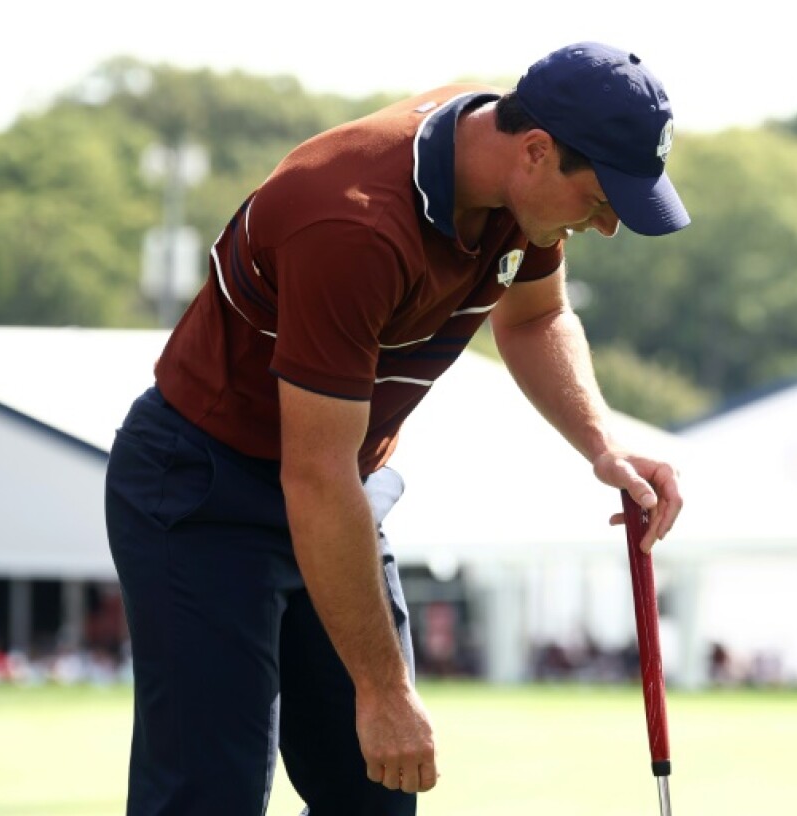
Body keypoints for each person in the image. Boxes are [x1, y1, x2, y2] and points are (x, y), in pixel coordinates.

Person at [105, 41, 688, 816]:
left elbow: (536, 315)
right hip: (204, 491)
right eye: (603, 196)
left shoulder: (516, 177)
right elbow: (311, 477)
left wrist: (602, 445)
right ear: (538, 152)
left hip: (339, 487)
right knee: (210, 798)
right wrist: (382, 693)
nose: (609, 224)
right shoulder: (353, 225)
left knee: (377, 799)